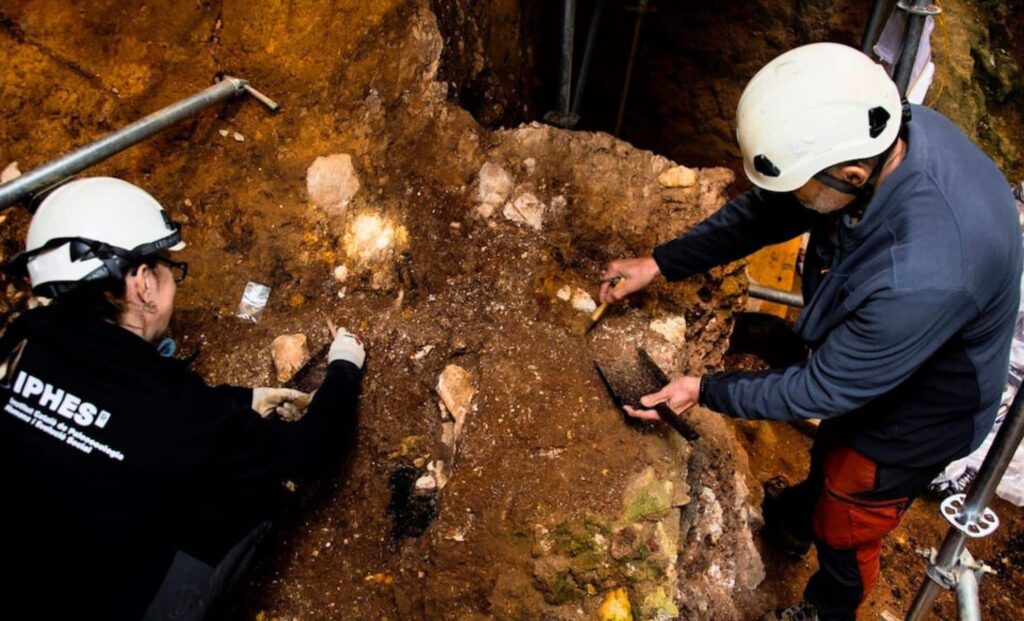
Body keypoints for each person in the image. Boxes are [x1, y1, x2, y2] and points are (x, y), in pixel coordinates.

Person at [599, 43, 1021, 621]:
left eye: (801, 186)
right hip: (887, 347)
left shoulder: (922, 275)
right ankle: (797, 519)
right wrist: (660, 263)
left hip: (922, 412)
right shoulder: (880, 139)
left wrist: (702, 389)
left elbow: (820, 390)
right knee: (831, 455)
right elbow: (768, 213)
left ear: (849, 175)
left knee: (850, 509)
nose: (794, 200)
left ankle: (828, 606)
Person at [0, 177, 365, 619]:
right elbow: (312, 451)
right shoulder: (174, 413)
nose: (171, 279)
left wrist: (243, 398)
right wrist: (344, 366)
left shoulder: (17, 344)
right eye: (165, 267)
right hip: (105, 601)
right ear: (141, 284)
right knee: (250, 494)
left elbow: (120, 410)